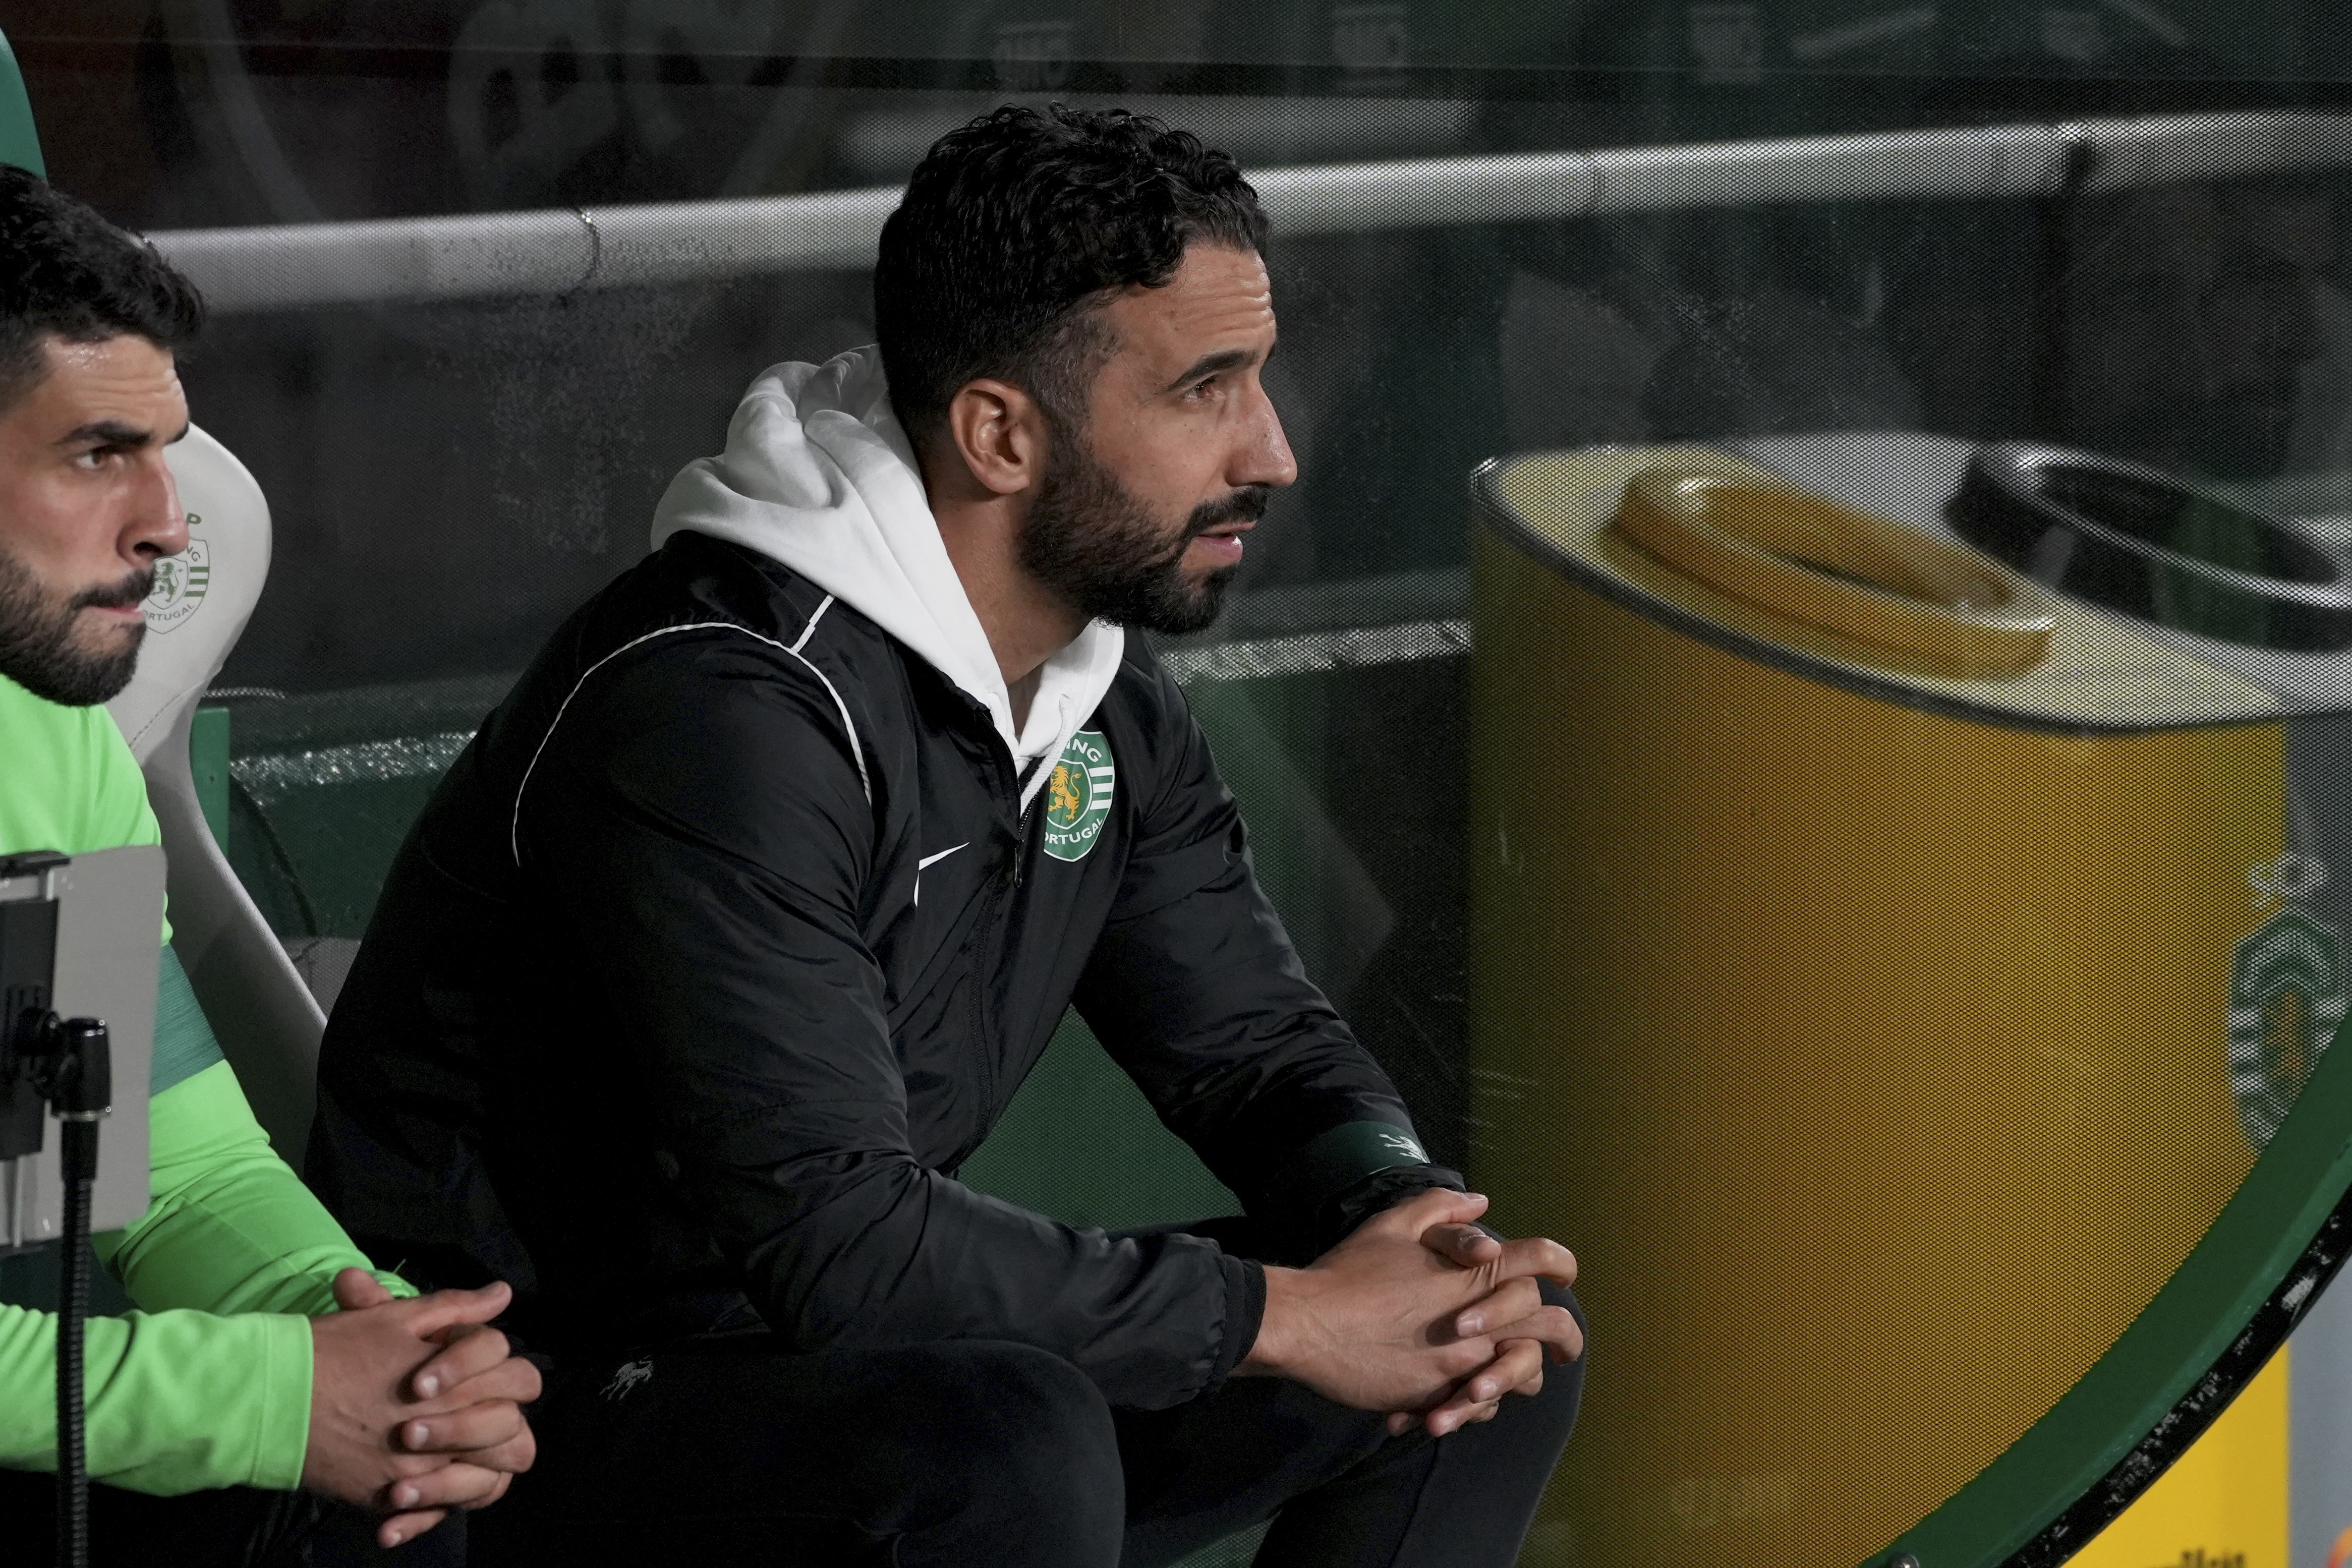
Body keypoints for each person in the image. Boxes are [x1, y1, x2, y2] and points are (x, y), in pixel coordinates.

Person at [309, 105, 1584, 1567]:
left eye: (1262, 379)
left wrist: (1411, 1224)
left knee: (1494, 1346)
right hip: (519, 1416)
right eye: (1207, 389)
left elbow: (1257, 1054)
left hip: (829, 1360)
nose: (1275, 452)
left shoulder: (1099, 692)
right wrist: (1298, 1320)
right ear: (999, 432)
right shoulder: (723, 706)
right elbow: (844, 1242)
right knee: (1003, 1443)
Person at [0, 163, 540, 1563]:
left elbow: (171, 1174)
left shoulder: (55, 749)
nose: (167, 523)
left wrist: (360, 1337)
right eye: (94, 454)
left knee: (384, 1506)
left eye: (166, 451)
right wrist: (273, 1401)